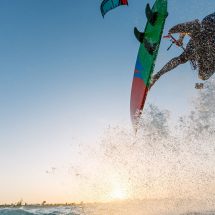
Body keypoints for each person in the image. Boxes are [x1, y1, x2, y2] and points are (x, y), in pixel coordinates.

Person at [149, 13, 215, 89]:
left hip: (204, 28)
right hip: (206, 37)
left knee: (185, 58)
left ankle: (156, 76)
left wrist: (180, 39)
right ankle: (156, 76)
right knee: (202, 75)